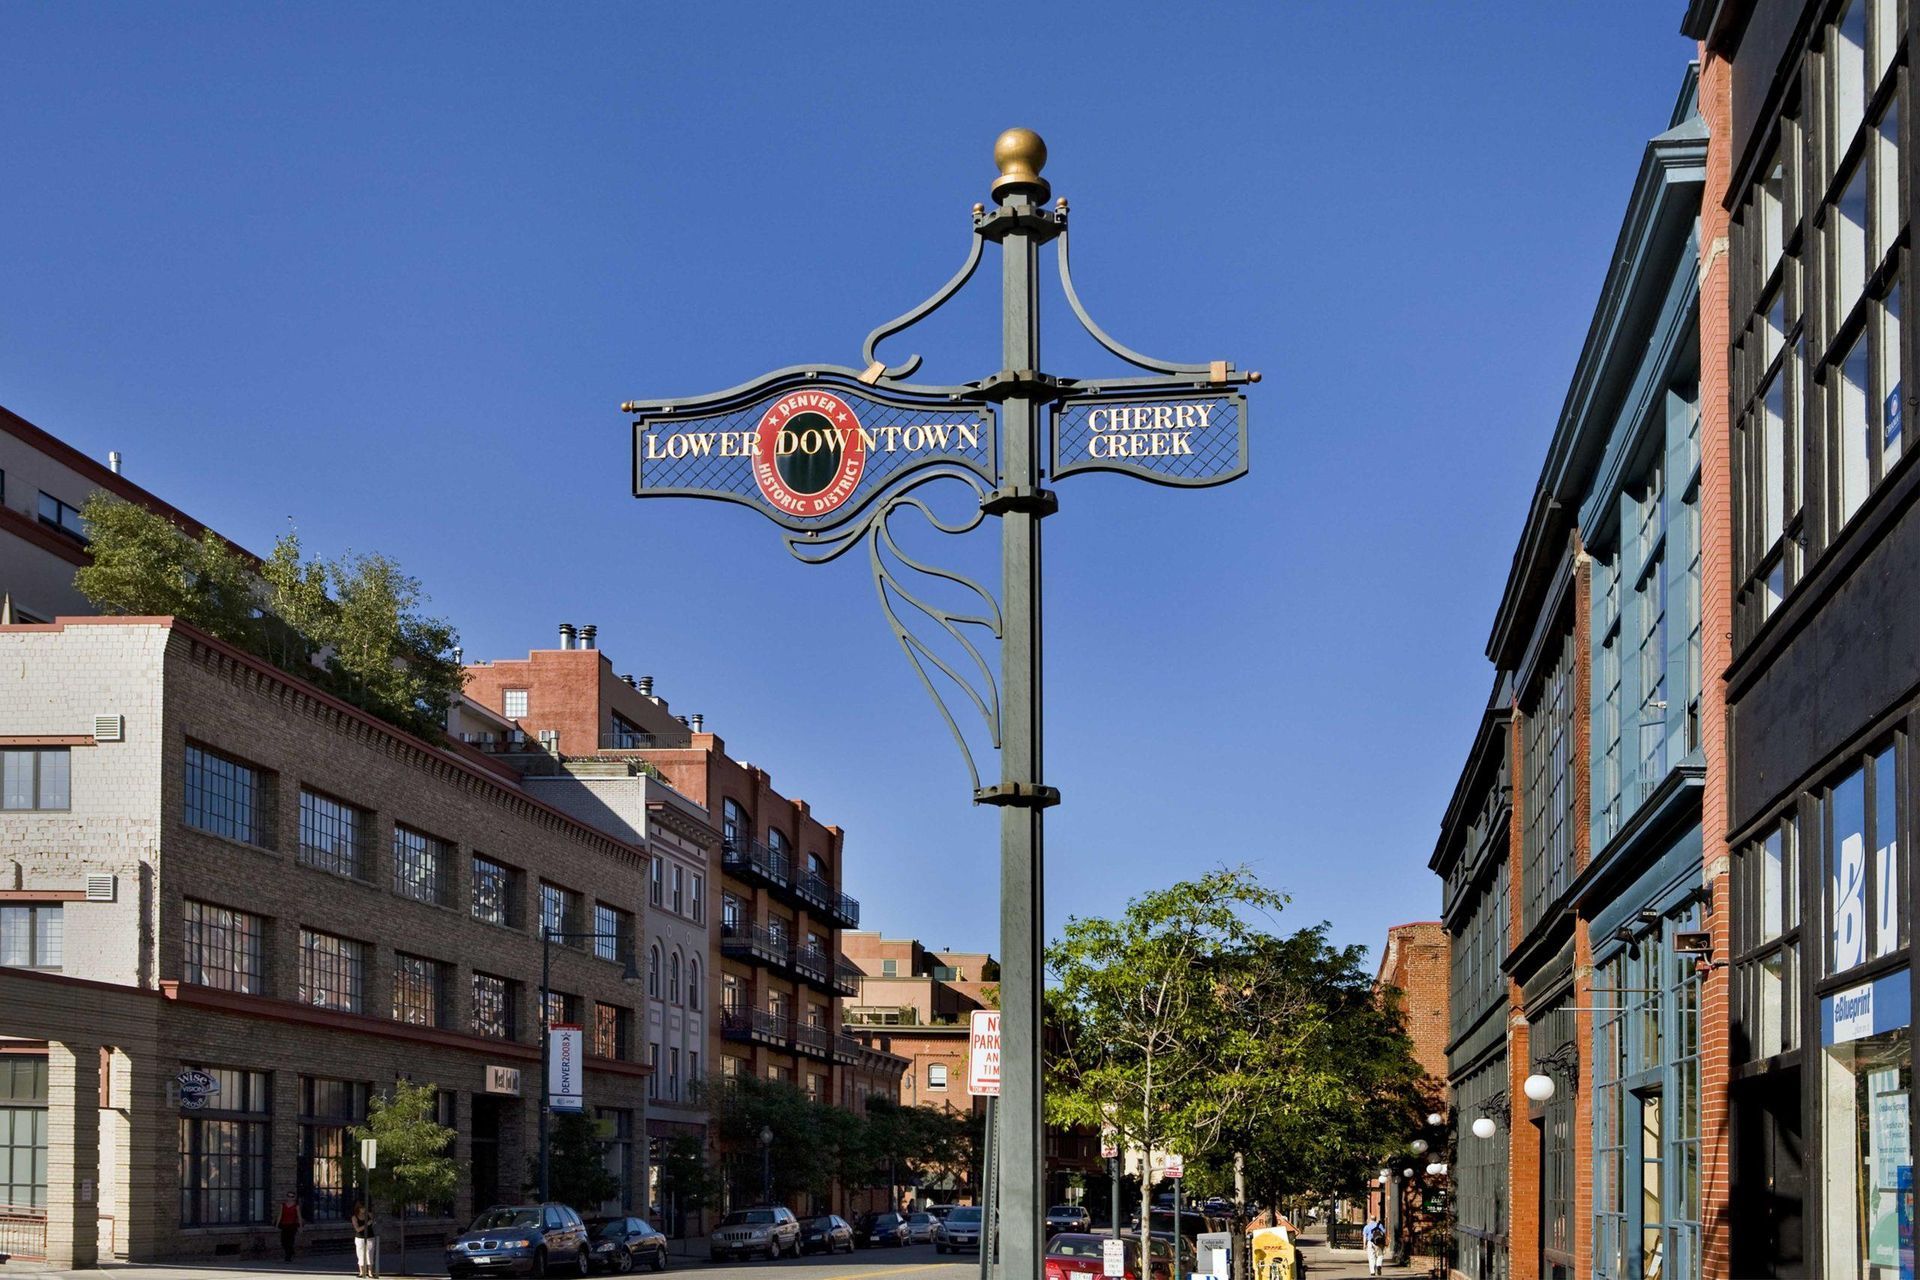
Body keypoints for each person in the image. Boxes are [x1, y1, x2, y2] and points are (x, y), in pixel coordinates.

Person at [350, 1199, 378, 1279]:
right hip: (360, 1238)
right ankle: (362, 1272)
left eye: (365, 1208)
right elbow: (357, 1229)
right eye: (362, 1208)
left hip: (370, 1236)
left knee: (369, 1254)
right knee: (360, 1254)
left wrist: (373, 1222)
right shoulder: (354, 1217)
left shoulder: (369, 1214)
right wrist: (367, 1224)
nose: (363, 1210)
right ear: (358, 1208)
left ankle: (370, 1272)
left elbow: (374, 1223)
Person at [276, 1192, 303, 1262]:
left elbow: (299, 1217)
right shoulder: (283, 1205)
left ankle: (288, 1256)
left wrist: (300, 1227)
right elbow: (280, 1215)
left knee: (290, 1241)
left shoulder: (296, 1206)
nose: (290, 1198)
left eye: (292, 1197)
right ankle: (290, 1251)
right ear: (286, 1197)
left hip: (292, 1225)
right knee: (283, 1241)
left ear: (294, 1198)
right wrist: (277, 1224)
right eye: (289, 1196)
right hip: (284, 1225)